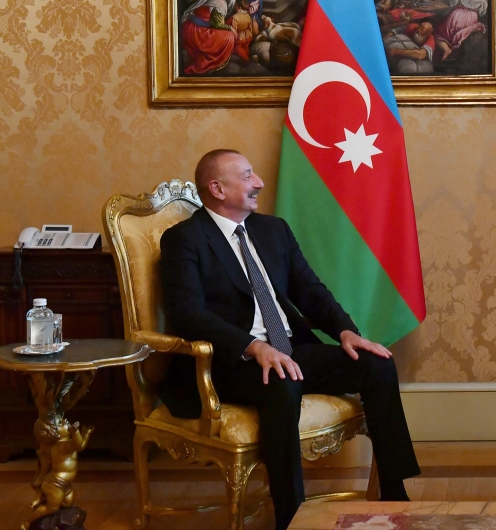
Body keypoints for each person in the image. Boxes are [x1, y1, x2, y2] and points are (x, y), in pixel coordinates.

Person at [160, 150, 420, 530]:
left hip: (290, 348)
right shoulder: (184, 239)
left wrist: (346, 332)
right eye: (247, 176)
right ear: (217, 189)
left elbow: (309, 289)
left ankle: (394, 494)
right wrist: (253, 346)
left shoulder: (273, 230)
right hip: (231, 362)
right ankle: (291, 515)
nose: (259, 183)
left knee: (376, 365)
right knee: (281, 380)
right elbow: (187, 313)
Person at [180, 0, 238, 74]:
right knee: (229, 36)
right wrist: (231, 28)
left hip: (191, 26)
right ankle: (212, 60)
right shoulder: (219, 2)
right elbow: (217, 24)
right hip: (198, 31)